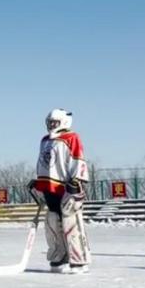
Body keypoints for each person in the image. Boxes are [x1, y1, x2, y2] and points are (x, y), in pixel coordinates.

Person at [29, 109, 91, 274]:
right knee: (52, 223)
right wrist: (38, 182)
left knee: (71, 223)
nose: (51, 125)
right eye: (50, 122)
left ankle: (79, 260)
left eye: (55, 122)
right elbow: (42, 163)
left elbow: (78, 159)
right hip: (49, 187)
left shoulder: (72, 138)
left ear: (64, 122)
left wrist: (77, 180)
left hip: (66, 187)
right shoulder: (44, 140)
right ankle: (59, 257)